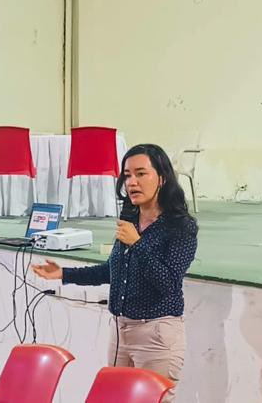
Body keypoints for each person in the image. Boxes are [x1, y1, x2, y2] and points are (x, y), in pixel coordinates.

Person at [31, 143, 197, 401]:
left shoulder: (180, 227)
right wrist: (63, 273)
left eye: (141, 174)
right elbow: (113, 271)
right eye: (127, 175)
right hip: (121, 330)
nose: (132, 182)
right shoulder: (130, 219)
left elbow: (168, 282)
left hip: (156, 334)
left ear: (162, 178)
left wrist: (137, 243)